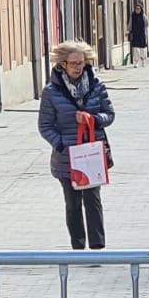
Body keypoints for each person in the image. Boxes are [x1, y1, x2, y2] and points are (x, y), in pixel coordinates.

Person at [38, 39, 115, 249]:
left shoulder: (97, 86)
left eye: (81, 63)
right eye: (73, 63)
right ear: (63, 63)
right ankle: (78, 246)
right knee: (73, 205)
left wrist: (94, 119)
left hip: (91, 154)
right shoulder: (51, 92)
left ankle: (97, 247)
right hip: (67, 158)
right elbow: (45, 126)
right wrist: (61, 144)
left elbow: (109, 114)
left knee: (93, 200)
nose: (77, 67)